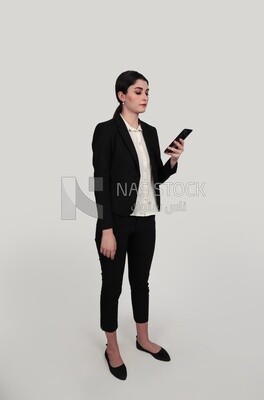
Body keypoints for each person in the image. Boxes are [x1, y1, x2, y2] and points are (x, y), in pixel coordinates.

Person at [92, 70, 185, 380]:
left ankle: (142, 339)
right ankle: (112, 348)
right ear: (122, 95)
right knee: (112, 287)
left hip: (147, 220)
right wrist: (106, 229)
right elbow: (101, 182)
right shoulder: (106, 131)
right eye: (138, 91)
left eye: (147, 91)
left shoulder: (152, 131)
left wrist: (171, 161)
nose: (145, 96)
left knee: (141, 283)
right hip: (115, 224)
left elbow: (155, 177)